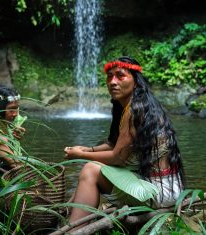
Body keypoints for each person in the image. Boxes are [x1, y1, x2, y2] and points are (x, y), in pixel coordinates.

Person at [64, 56, 185, 225]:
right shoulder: (135, 105)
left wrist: (80, 155)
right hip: (163, 187)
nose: (113, 82)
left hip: (158, 192)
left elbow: (118, 157)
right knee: (96, 160)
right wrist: (86, 149)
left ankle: (73, 230)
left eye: (120, 76)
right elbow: (114, 144)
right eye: (109, 76)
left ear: (136, 81)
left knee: (90, 170)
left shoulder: (135, 110)